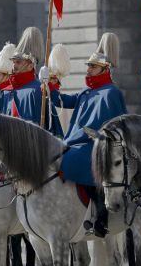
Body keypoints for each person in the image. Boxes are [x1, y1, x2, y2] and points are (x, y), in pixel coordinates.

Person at [54, 33, 127, 237]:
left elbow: (114, 126)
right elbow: (65, 101)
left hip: (100, 145)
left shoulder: (111, 92)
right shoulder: (87, 92)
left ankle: (101, 216)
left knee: (75, 160)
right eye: (88, 66)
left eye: (93, 67)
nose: (88, 69)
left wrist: (95, 135)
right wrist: (48, 85)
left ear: (105, 68)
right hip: (78, 141)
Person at [0, 27, 63, 136]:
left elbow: (52, 128)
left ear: (30, 66)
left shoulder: (39, 89)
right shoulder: (7, 92)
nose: (14, 65)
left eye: (18, 62)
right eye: (14, 61)